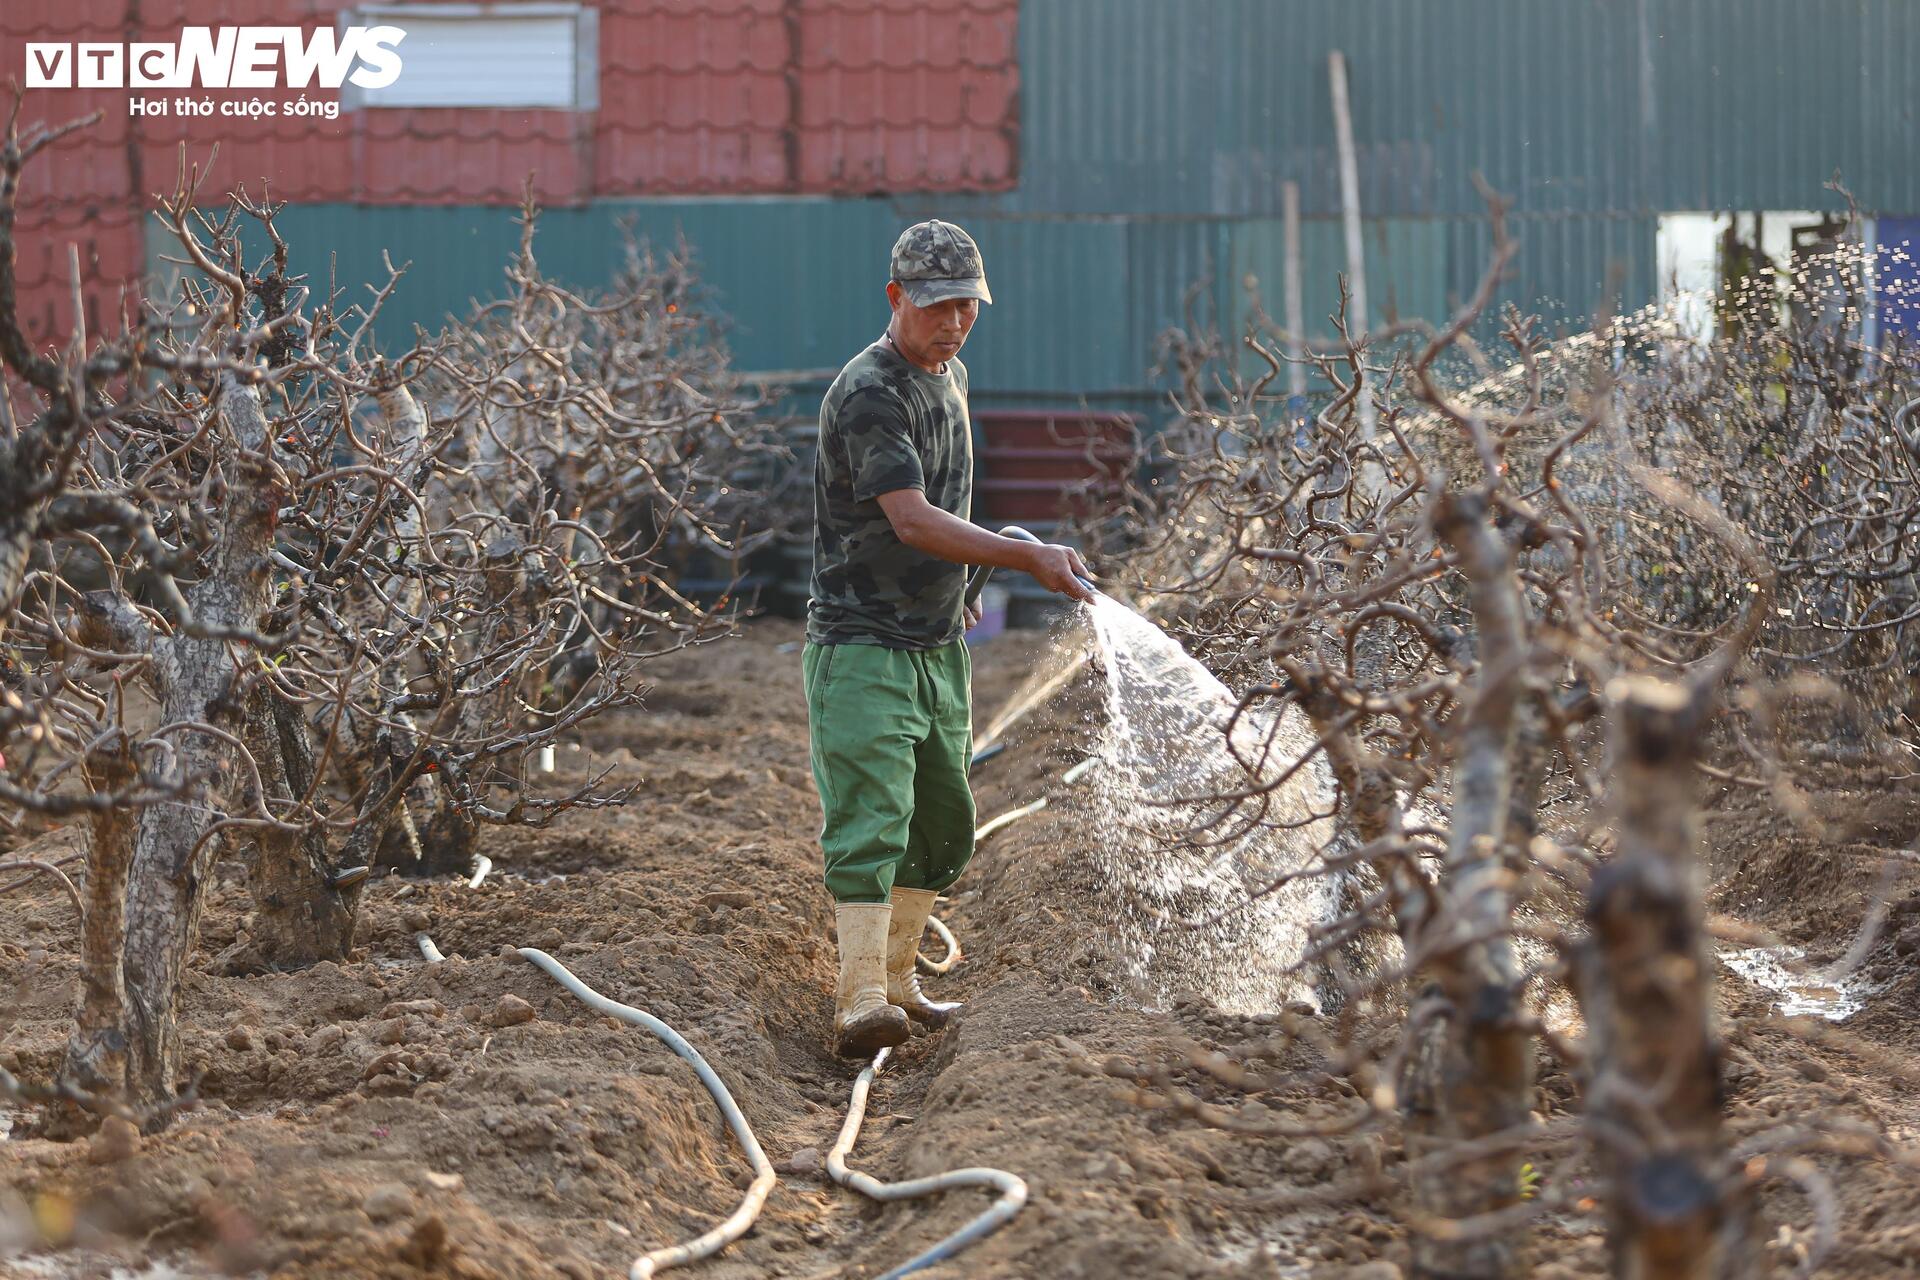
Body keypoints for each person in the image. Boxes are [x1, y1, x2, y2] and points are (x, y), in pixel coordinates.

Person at [804, 219, 1097, 1057]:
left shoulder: (952, 378)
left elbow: (950, 501)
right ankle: (859, 996)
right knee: (873, 814)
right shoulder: (871, 391)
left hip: (936, 646)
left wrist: (973, 581)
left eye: (968, 305)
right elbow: (911, 518)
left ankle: (899, 981)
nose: (955, 322)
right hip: (864, 643)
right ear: (896, 297)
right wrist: (1022, 554)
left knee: (942, 820)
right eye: (937, 306)